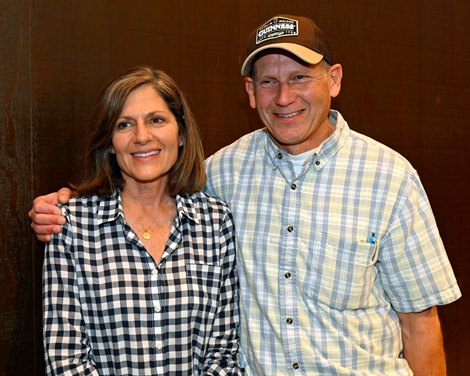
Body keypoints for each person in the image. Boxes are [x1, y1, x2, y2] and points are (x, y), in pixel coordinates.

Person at [30, 15, 461, 375]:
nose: (284, 96)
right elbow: (150, 187)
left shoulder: (390, 177)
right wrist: (60, 205)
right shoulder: (222, 173)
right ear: (251, 94)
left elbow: (420, 324)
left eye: (299, 77)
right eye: (268, 82)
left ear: (333, 79)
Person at [41, 66, 243, 375]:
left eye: (156, 120)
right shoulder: (71, 226)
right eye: (125, 124)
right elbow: (66, 359)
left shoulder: (216, 223)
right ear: (110, 142)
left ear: (182, 134)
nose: (142, 137)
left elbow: (224, 353)